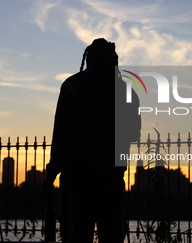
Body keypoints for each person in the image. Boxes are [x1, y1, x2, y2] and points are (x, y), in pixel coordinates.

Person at [43, 38, 141, 243]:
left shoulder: (73, 86)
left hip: (78, 175)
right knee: (112, 234)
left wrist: (53, 169)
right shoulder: (127, 92)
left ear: (89, 60)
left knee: (76, 235)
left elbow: (61, 133)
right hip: (112, 174)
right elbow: (134, 134)